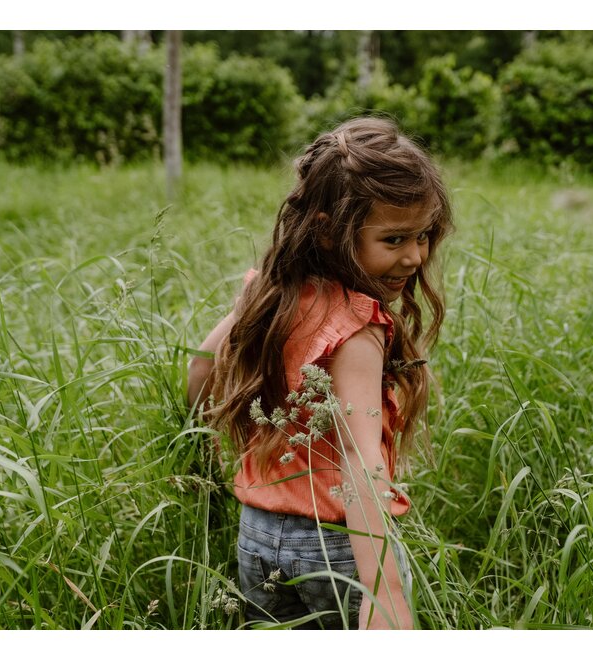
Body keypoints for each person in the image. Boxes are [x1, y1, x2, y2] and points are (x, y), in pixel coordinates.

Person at [186, 116, 453, 629]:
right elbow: (358, 458)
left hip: (257, 535)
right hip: (336, 550)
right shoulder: (357, 327)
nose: (416, 257)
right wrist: (383, 594)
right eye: (394, 239)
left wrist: (198, 451)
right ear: (330, 232)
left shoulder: (270, 291)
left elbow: (201, 365)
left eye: (423, 236)